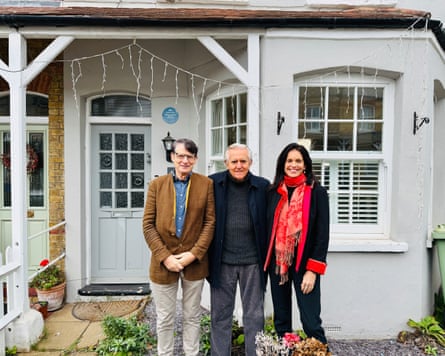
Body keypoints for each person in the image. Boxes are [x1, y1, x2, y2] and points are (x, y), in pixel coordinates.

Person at [142, 138, 215, 356]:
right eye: (180, 155)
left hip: (194, 263)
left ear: (195, 159)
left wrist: (193, 254)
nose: (185, 160)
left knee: (192, 316)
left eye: (189, 157)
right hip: (162, 264)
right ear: (173, 157)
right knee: (164, 318)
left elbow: (210, 222)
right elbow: (147, 225)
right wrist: (165, 257)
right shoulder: (157, 185)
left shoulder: (206, 184)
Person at [264, 142, 329, 345]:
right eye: (289, 160)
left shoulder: (316, 192)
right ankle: (287, 350)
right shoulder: (273, 192)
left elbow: (322, 234)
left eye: (298, 161)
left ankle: (319, 350)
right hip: (279, 264)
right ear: (282, 164)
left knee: (310, 321)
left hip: (304, 265)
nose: (293, 164)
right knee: (281, 321)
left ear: (305, 165)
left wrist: (313, 270)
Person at [208, 143, 270, 356]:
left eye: (243, 161)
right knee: (220, 316)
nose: (238, 165)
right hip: (222, 261)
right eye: (234, 161)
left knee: (254, 316)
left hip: (254, 261)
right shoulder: (213, 184)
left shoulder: (263, 186)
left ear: (250, 163)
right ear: (226, 163)